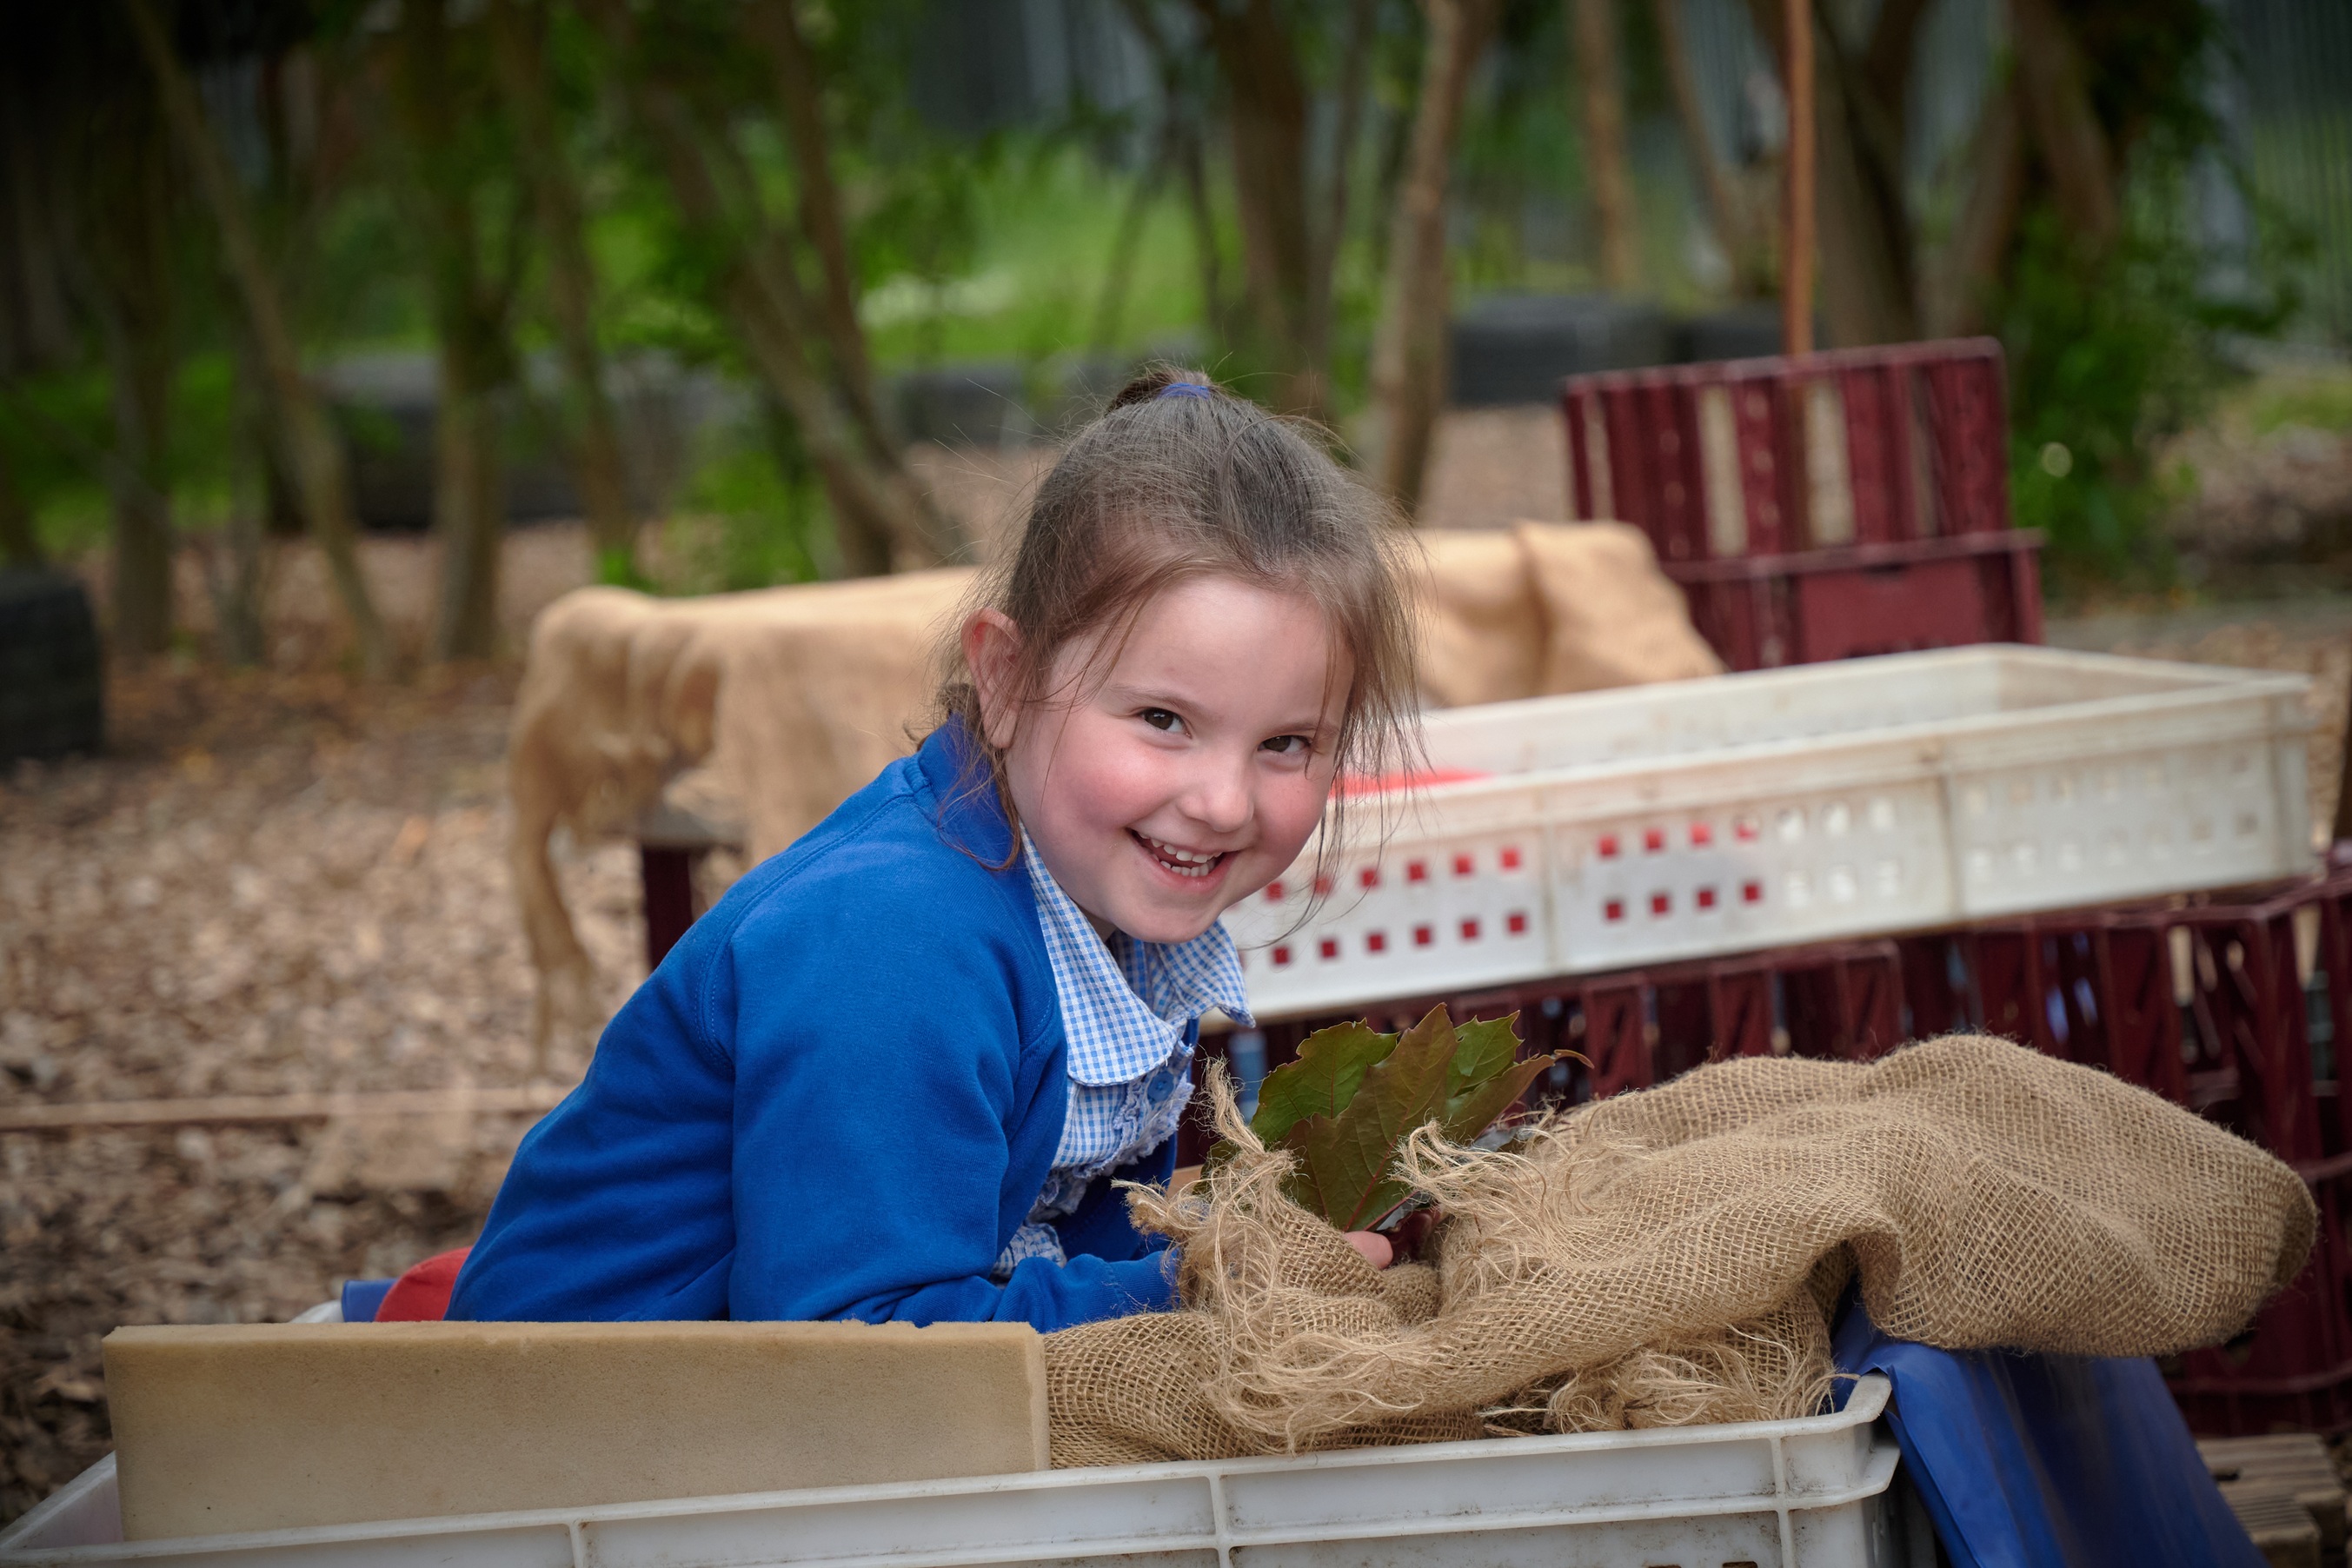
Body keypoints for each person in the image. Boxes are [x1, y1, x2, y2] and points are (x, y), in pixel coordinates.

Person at [447, 369, 1420, 1332]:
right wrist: (1202, 1290)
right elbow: (854, 1346)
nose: (1222, 802)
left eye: (1285, 743)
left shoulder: (1101, 892)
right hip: (564, 1408)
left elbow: (1055, 1245)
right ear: (1004, 680)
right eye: (1163, 720)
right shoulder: (891, 944)